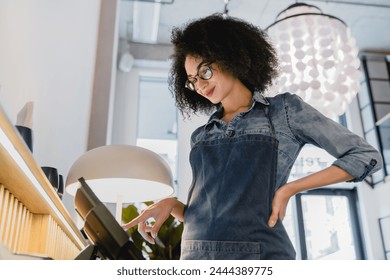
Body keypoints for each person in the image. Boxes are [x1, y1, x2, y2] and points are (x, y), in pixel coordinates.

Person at [122, 13, 383, 260]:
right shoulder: (201, 136)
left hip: (258, 255)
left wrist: (289, 189)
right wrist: (172, 205)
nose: (200, 85)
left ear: (230, 57)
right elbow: (206, 212)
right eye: (192, 80)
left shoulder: (283, 112)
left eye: (205, 72)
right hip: (194, 257)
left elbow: (365, 156)